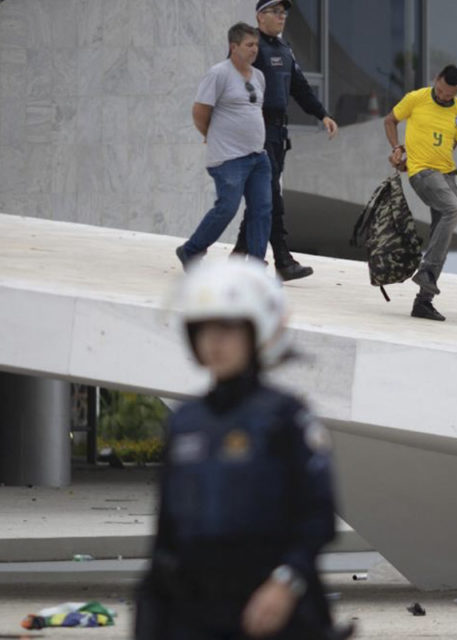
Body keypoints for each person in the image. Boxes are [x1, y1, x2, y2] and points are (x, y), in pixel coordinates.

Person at [135, 260, 352, 640]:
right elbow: (165, 538)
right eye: (204, 329)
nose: (213, 341)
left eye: (227, 328)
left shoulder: (287, 417)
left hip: (274, 611)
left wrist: (285, 583)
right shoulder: (185, 422)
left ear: (257, 330)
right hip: (195, 612)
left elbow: (317, 519)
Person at [232, 0, 340, 282]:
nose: (282, 18)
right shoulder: (252, 48)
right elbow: (233, 88)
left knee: (263, 196)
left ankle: (239, 255)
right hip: (257, 130)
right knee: (269, 196)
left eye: (284, 13)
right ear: (260, 16)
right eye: (275, 12)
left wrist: (322, 114)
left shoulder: (284, 50)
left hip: (279, 133)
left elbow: (300, 89)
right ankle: (282, 258)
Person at [177, 23, 272, 269]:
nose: (254, 50)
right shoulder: (218, 73)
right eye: (249, 45)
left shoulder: (259, 76)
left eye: (256, 45)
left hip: (258, 157)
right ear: (233, 47)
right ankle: (191, 250)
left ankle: (255, 264)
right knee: (227, 208)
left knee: (261, 209)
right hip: (229, 158)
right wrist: (211, 134)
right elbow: (200, 111)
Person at [383, 65, 457, 322]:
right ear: (435, 80)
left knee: (439, 233)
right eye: (440, 90)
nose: (443, 96)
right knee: (454, 210)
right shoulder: (416, 98)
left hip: (447, 174)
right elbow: (390, 120)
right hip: (421, 171)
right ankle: (426, 272)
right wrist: (398, 148)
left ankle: (423, 301)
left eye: (448, 95)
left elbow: (454, 141)